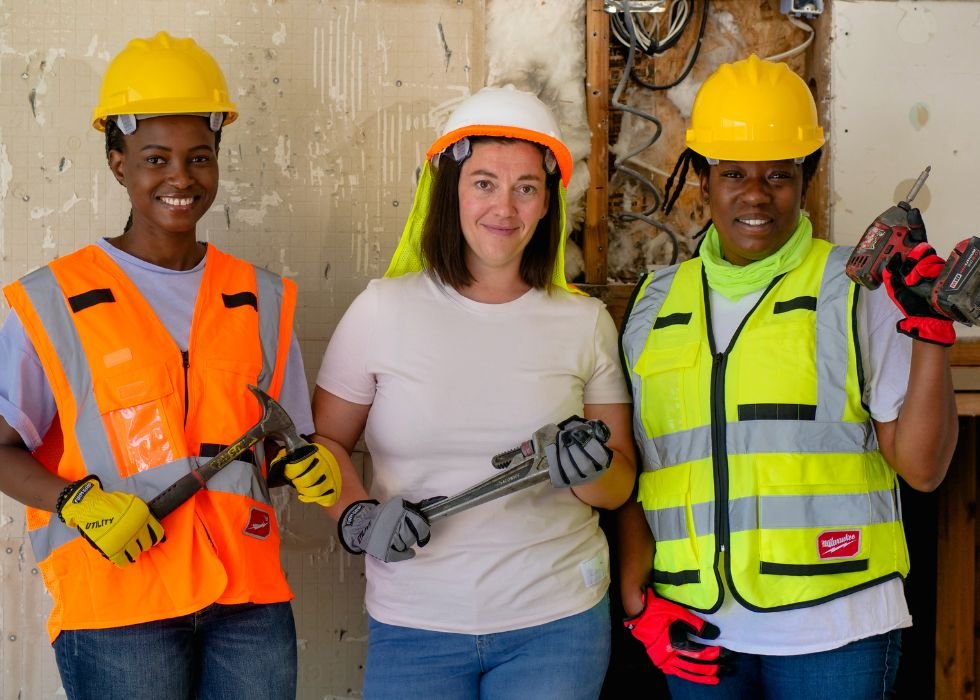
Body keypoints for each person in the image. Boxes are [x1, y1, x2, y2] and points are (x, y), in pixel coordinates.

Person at [0, 31, 341, 699]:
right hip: (120, 605)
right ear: (117, 162)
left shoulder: (263, 298)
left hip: (248, 604)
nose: (181, 178)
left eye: (200, 158)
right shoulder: (52, 301)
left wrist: (302, 466)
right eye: (156, 158)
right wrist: (76, 502)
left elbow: (271, 445)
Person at [618, 54, 959, 699]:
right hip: (699, 630)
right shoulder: (653, 304)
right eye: (733, 174)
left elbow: (922, 468)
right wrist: (641, 606)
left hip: (837, 627)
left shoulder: (857, 291)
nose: (755, 194)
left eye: (779, 174)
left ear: (807, 175)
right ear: (700, 178)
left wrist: (932, 334)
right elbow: (641, 469)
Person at [310, 85, 637, 699]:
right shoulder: (381, 311)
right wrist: (354, 516)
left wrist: (585, 470)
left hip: (556, 621)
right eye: (484, 182)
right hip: (414, 624)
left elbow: (619, 485)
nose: (504, 207)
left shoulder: (583, 322)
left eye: (526, 188)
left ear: (547, 204)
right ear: (449, 192)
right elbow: (326, 441)